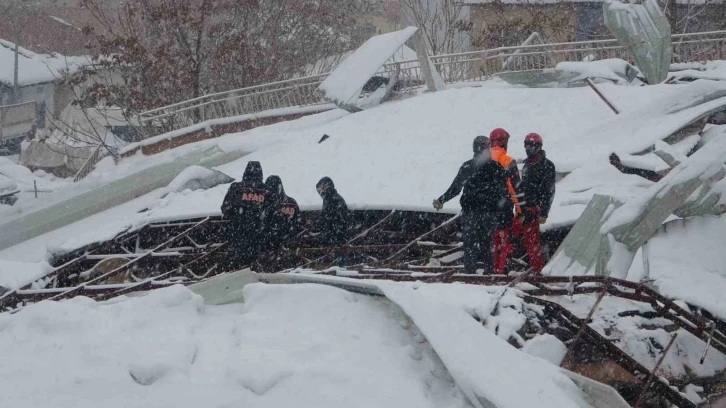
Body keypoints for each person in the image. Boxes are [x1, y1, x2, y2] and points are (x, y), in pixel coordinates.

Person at [433, 136, 510, 275]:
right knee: (486, 244)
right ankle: (487, 272)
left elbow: (456, 188)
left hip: (474, 212)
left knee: (472, 245)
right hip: (486, 213)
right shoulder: (495, 167)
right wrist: (505, 212)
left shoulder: (469, 166)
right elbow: (504, 193)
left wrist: (442, 200)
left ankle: (471, 273)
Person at [220, 161, 273, 269]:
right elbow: (272, 210)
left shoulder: (236, 187)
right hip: (259, 231)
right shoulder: (266, 190)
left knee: (237, 259)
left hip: (237, 229)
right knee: (256, 260)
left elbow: (225, 208)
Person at [516, 133, 556, 273]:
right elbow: (523, 186)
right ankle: (524, 265)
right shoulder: (527, 164)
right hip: (523, 207)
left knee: (532, 241)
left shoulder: (547, 165)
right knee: (517, 237)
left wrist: (544, 211)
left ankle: (537, 270)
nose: (527, 148)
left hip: (534, 208)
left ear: (538, 146)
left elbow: (549, 190)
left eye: (530, 145)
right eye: (525, 144)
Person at [489, 128, 522, 274]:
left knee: (490, 240)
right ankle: (500, 269)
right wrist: (520, 210)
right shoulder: (508, 161)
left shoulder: (482, 159)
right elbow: (515, 188)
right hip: (503, 208)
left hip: (486, 209)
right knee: (504, 241)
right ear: (504, 142)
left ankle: (489, 267)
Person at [264, 175, 301, 251]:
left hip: (270, 245)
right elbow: (299, 221)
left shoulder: (266, 203)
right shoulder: (292, 202)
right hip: (290, 243)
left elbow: (264, 222)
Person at [314, 176, 350, 246]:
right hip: (334, 235)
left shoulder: (333, 199)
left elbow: (330, 219)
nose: (321, 191)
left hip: (335, 237)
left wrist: (320, 225)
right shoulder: (330, 198)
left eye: (322, 188)